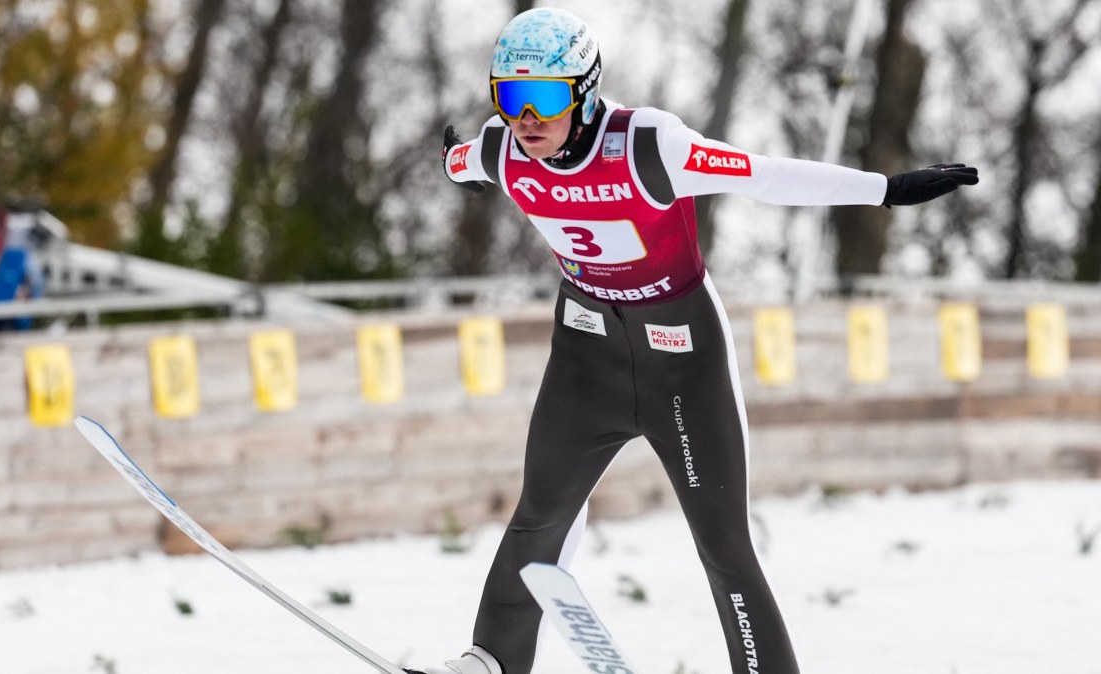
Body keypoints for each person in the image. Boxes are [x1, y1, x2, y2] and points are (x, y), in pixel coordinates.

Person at [413, 8, 978, 674]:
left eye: (543, 97)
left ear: (585, 90)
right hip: (585, 354)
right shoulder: (499, 150)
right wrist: (458, 159)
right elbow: (463, 163)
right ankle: (490, 662)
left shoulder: (650, 147)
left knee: (723, 541)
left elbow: (763, 174)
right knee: (541, 513)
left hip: (680, 359)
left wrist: (884, 190)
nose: (526, 118)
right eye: (510, 98)